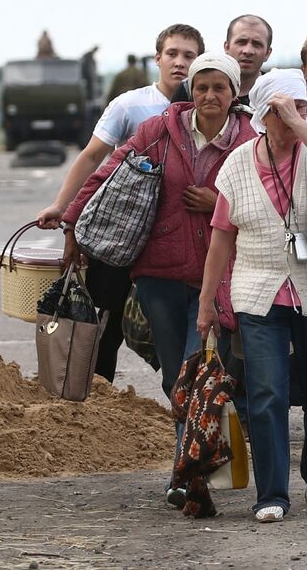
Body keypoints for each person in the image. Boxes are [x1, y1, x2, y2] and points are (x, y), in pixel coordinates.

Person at [61, 51, 256, 508]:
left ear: (233, 93)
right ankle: (190, 472)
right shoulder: (159, 132)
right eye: (202, 87)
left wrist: (218, 204)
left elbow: (270, 200)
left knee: (198, 370)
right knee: (177, 378)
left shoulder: (250, 139)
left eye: (220, 88)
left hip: (219, 277)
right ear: (191, 89)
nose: (210, 95)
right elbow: (105, 175)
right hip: (159, 274)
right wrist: (72, 222)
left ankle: (188, 478)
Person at [197, 68, 307, 523]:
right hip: (258, 293)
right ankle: (271, 493)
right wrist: (208, 302)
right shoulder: (239, 163)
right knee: (267, 393)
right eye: (285, 109)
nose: (295, 115)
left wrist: (303, 122)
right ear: (264, 115)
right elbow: (221, 238)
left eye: (302, 106)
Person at [36, 24, 204, 382]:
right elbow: (92, 157)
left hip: (174, 240)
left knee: (172, 338)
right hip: (119, 236)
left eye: (189, 55)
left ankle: (183, 420)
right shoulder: (130, 104)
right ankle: (97, 408)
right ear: (157, 58)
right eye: (172, 53)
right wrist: (62, 208)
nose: (180, 62)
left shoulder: (208, 108)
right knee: (103, 329)